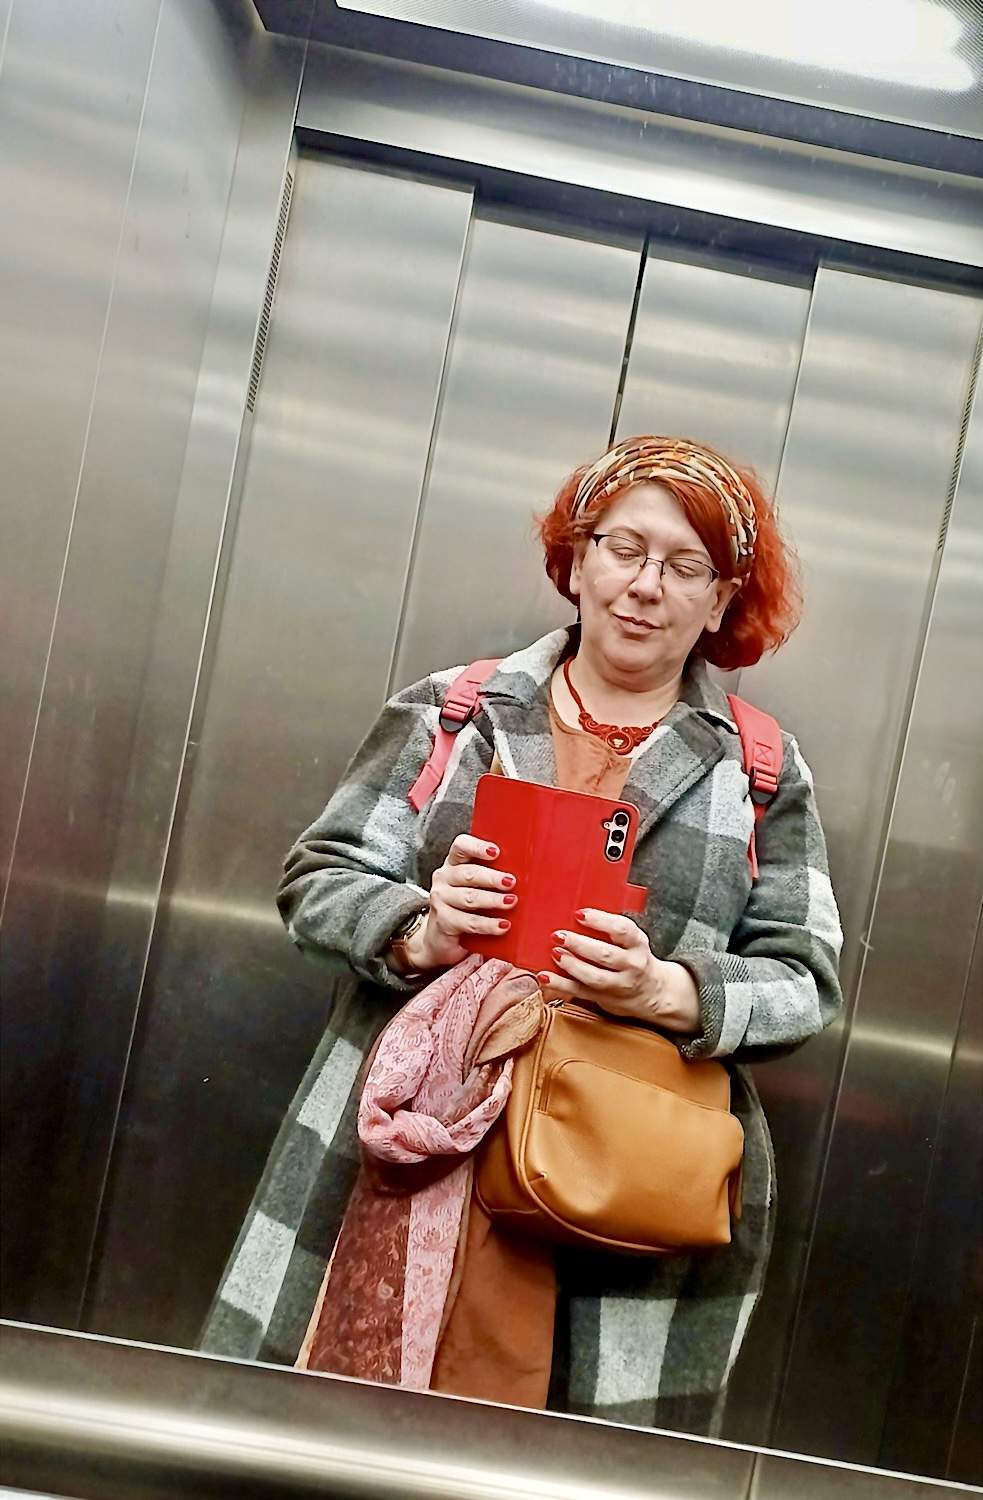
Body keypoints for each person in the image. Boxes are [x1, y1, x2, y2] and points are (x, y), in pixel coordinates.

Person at [201, 435, 843, 1437]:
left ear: (720, 601)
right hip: (410, 1144)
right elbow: (317, 881)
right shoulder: (453, 711)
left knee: (546, 1458)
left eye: (684, 567)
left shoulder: (759, 768)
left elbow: (803, 980)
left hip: (612, 1180)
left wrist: (664, 990)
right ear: (576, 560)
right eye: (622, 548)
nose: (644, 586)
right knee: (331, 1431)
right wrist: (421, 931)